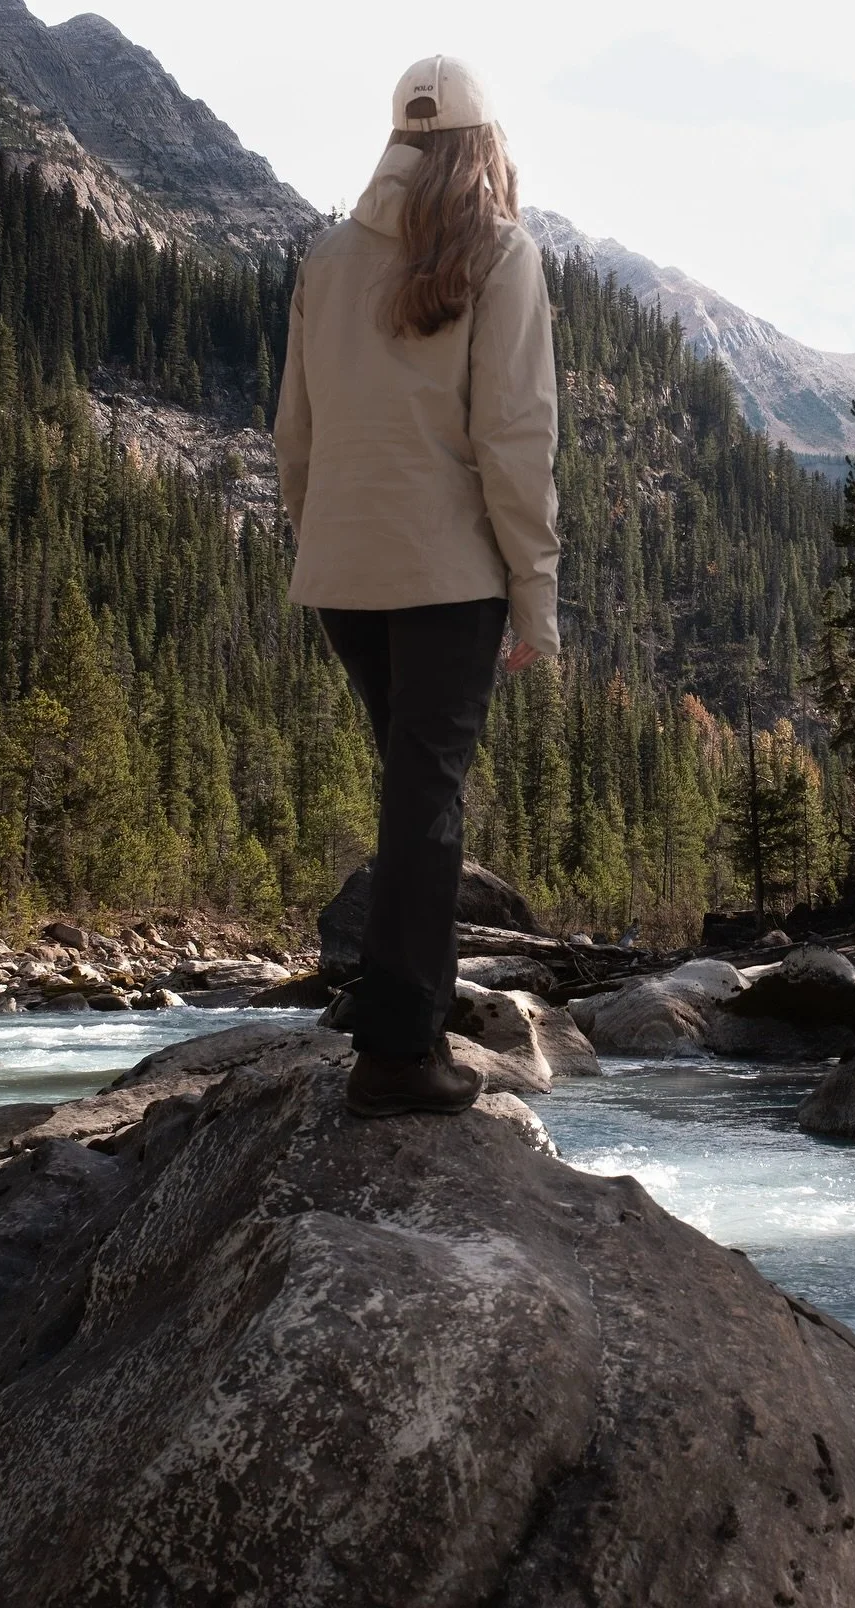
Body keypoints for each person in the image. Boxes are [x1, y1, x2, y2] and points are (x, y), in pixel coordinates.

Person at [274, 54, 559, 1117]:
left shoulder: (328, 257)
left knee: (410, 789)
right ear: (484, 145)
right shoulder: (500, 254)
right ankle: (398, 1052)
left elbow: (295, 432)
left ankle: (395, 1014)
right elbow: (515, 438)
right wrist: (535, 595)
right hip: (448, 575)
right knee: (426, 796)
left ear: (398, 138)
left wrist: (321, 540)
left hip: (345, 572)